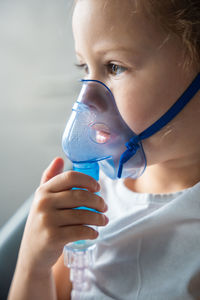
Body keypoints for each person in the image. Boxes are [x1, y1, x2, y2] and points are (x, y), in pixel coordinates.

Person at [8, 0, 200, 299]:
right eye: (85, 67)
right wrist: (33, 264)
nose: (88, 99)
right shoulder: (94, 193)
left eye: (114, 66)